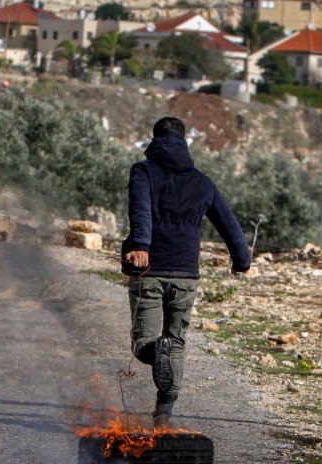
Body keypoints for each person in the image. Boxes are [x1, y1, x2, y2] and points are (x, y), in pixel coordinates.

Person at [120, 117, 251, 429]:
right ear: (184, 142)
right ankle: (163, 416)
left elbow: (139, 208)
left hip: (148, 268)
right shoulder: (202, 182)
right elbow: (227, 221)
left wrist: (140, 243)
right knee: (176, 340)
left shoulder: (144, 171)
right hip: (186, 274)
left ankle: (156, 350)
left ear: (154, 140)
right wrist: (241, 259)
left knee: (144, 343)